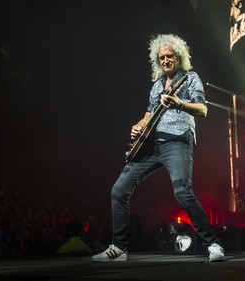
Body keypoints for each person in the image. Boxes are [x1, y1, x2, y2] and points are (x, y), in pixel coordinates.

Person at [92, 33, 224, 262]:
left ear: (179, 57)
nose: (165, 61)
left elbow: (203, 110)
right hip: (152, 145)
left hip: (178, 140)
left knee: (182, 192)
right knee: (119, 190)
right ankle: (119, 247)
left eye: (169, 56)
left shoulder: (190, 78)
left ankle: (213, 244)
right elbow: (148, 115)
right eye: (161, 57)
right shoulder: (156, 86)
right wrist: (138, 125)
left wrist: (179, 103)